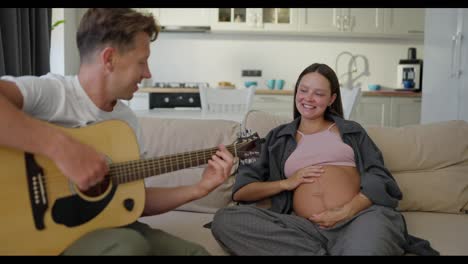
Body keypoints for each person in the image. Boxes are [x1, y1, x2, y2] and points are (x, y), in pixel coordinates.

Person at [0, 8, 234, 255]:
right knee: (129, 246)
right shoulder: (53, 93)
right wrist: (60, 148)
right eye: (141, 61)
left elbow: (134, 200)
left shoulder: (125, 122)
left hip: (110, 226)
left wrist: (200, 188)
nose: (148, 73)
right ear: (109, 59)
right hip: (45, 233)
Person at [211, 63, 438, 255]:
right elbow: (242, 190)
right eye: (303, 90)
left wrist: (345, 211)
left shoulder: (352, 131)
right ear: (296, 92)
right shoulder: (275, 138)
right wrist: (286, 183)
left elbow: (380, 177)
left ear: (332, 99)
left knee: (368, 242)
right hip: (305, 229)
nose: (309, 98)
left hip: (359, 218)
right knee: (225, 220)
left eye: (318, 94)